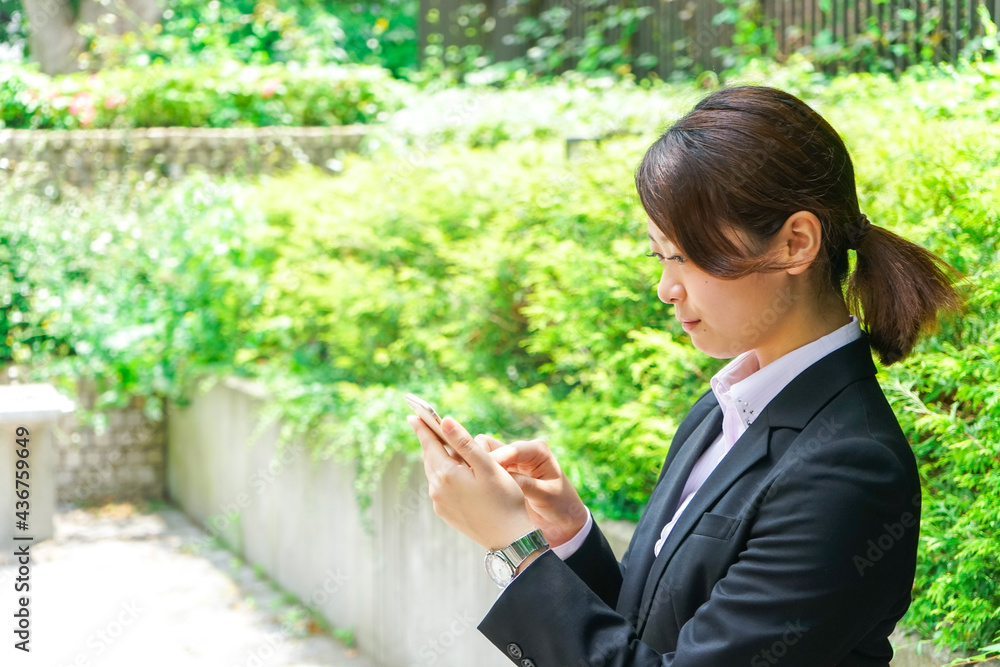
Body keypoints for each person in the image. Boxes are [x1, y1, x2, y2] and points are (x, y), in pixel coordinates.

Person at [407, 85, 962, 666]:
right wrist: (569, 533)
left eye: (685, 256)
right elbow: (651, 635)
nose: (665, 288)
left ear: (795, 244)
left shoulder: (849, 467)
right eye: (660, 256)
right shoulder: (725, 406)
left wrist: (514, 546)